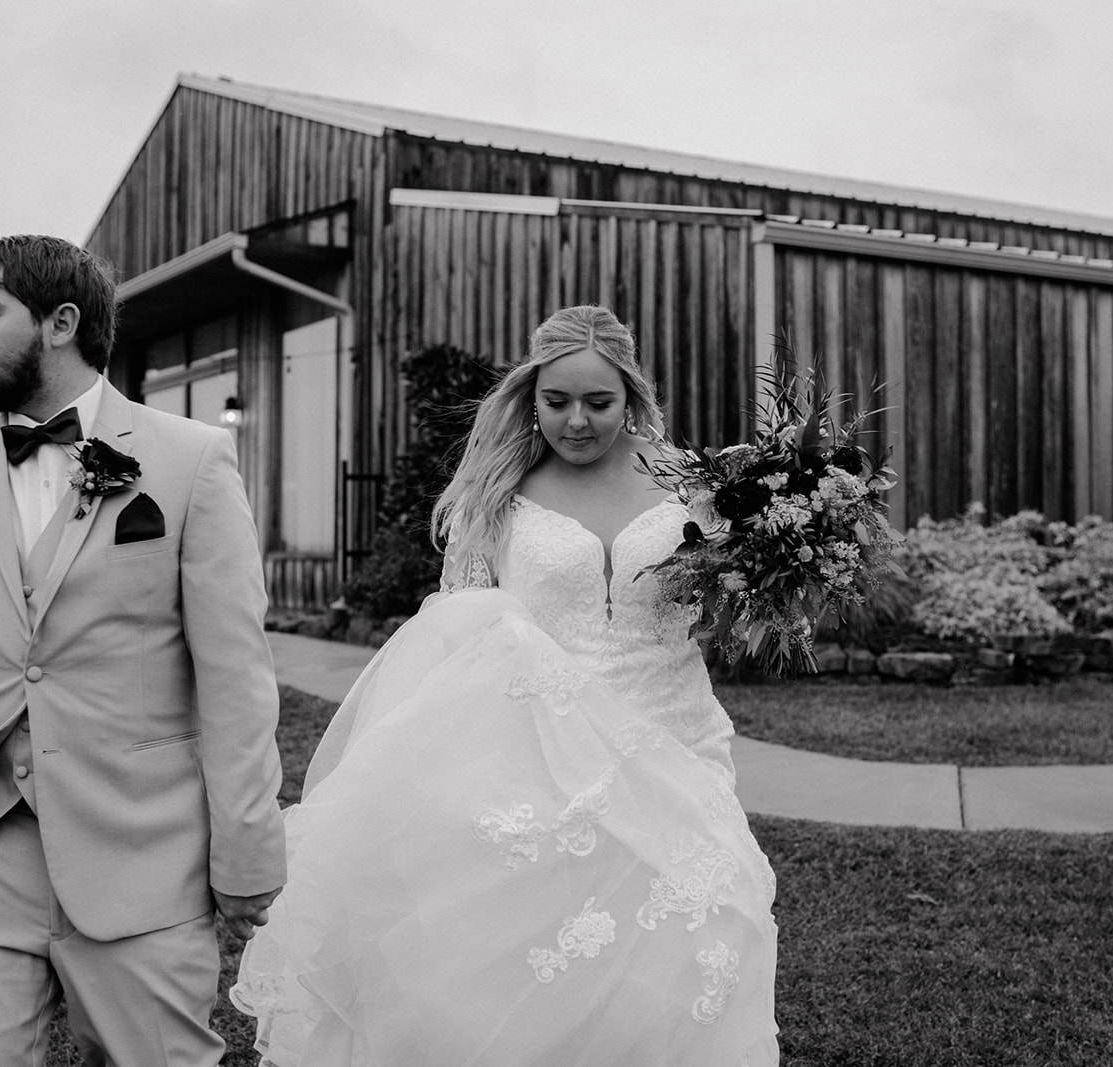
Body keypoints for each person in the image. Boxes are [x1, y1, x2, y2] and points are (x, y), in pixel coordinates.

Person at [232, 305, 779, 1065]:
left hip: (678, 737)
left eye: (599, 402)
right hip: (544, 761)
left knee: (703, 929)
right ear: (530, 396)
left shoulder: (695, 489)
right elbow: (459, 638)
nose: (577, 421)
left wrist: (790, 568)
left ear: (632, 396)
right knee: (556, 956)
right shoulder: (492, 500)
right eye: (557, 402)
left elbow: (729, 609)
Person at [0, 234, 286, 1066]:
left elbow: (236, 679)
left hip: (142, 856)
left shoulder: (189, 461)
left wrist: (247, 850)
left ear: (61, 322)